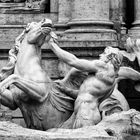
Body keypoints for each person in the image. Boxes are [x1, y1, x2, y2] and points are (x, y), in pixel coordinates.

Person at [49, 37, 140, 128]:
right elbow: (86, 93)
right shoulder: (111, 77)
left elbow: (73, 61)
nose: (101, 55)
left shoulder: (103, 67)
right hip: (86, 113)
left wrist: (53, 46)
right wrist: (65, 90)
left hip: (86, 113)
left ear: (111, 56)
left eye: (104, 53)